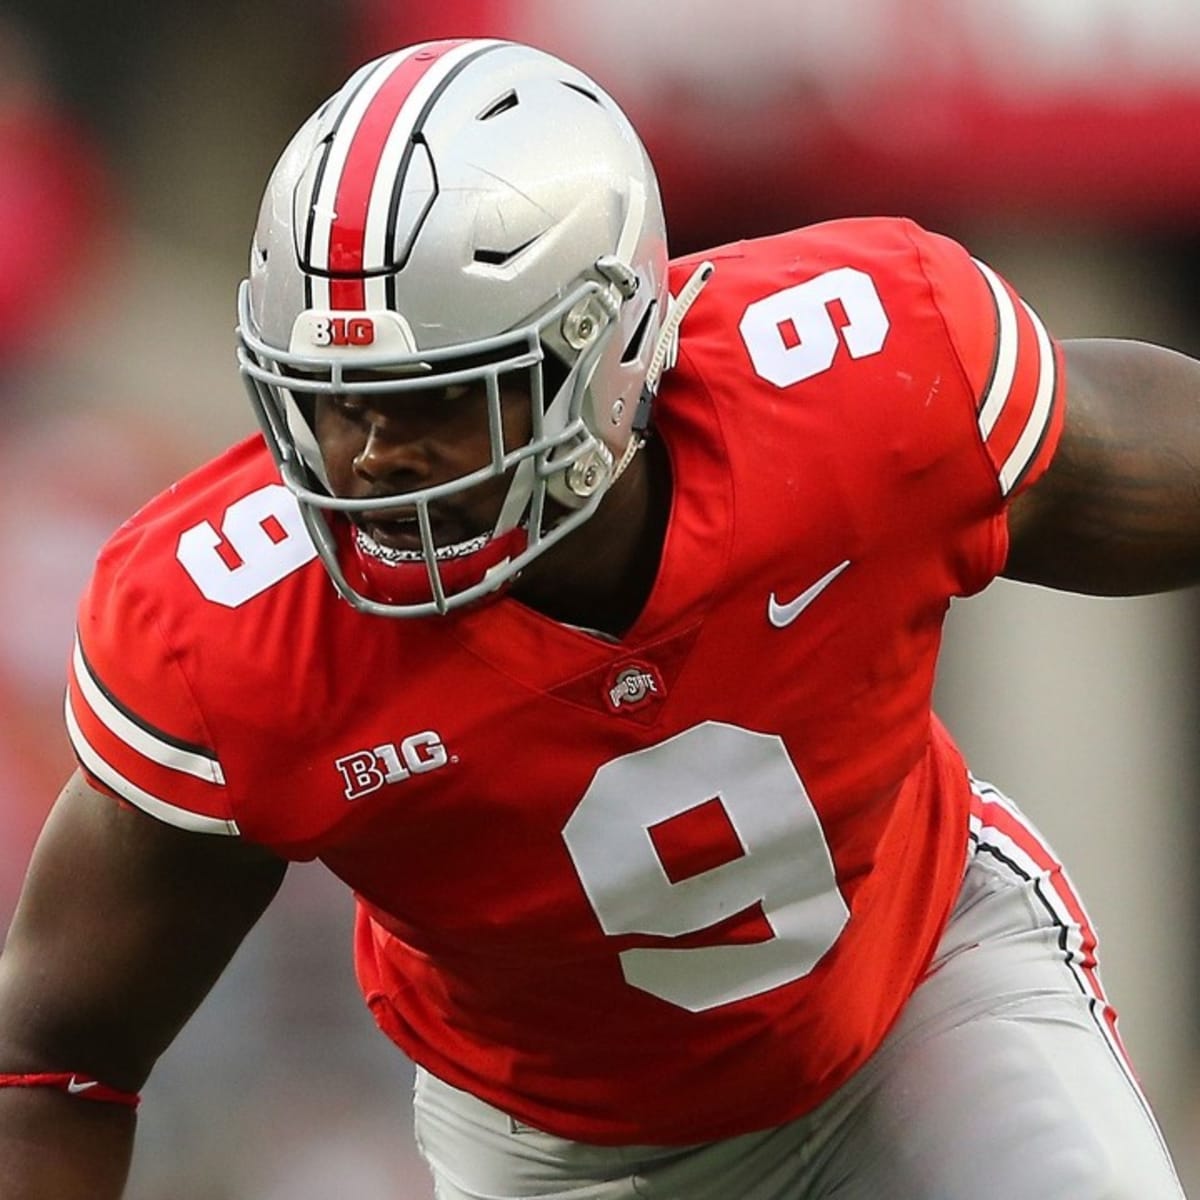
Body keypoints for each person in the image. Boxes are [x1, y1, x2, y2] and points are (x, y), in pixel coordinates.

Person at [0, 36, 1193, 1200]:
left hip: (928, 1001)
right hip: (561, 1153)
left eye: (439, 401)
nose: (367, 464)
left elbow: (1124, 458)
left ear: (613, 353)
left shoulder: (852, 385)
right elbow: (57, 1052)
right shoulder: (229, 632)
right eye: (332, 404)